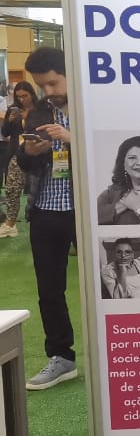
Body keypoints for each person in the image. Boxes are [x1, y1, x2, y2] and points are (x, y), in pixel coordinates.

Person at [16, 47, 79, 391]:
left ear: (69, 73)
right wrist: (29, 151)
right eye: (43, 86)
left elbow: (113, 152)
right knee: (49, 290)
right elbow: (23, 162)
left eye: (53, 83)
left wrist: (73, 140)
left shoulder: (91, 107)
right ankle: (62, 357)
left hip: (86, 212)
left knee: (110, 284)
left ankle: (113, 353)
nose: (49, 92)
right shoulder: (39, 111)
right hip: (45, 209)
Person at [0, 80, 36, 237]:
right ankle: (10, 223)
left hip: (37, 153)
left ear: (31, 94)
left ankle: (37, 219)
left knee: (37, 189)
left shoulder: (39, 110)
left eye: (25, 95)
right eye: (18, 96)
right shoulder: (12, 110)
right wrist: (8, 121)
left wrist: (27, 118)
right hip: (16, 152)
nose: (21, 99)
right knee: (12, 188)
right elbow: (6, 132)